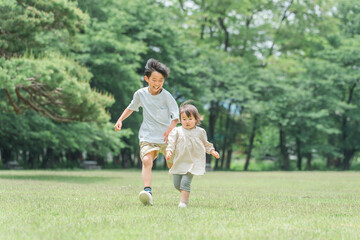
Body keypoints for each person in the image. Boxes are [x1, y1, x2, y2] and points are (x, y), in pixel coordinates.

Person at [115, 58, 179, 206]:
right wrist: (120, 120)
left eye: (161, 80)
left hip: (166, 137)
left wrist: (170, 130)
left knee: (172, 164)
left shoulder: (167, 96)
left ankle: (182, 187)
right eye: (154, 80)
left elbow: (176, 117)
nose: (157, 83)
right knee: (146, 160)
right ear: (147, 79)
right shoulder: (140, 94)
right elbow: (131, 107)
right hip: (148, 135)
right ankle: (147, 192)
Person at [166, 102, 220, 208]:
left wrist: (212, 151)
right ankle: (185, 194)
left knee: (185, 183)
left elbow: (206, 144)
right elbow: (171, 143)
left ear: (196, 119)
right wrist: (169, 151)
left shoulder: (200, 132)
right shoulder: (176, 131)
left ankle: (183, 203)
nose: (187, 122)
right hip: (180, 161)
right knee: (177, 184)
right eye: (184, 119)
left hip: (193, 162)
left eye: (190, 119)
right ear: (180, 119)